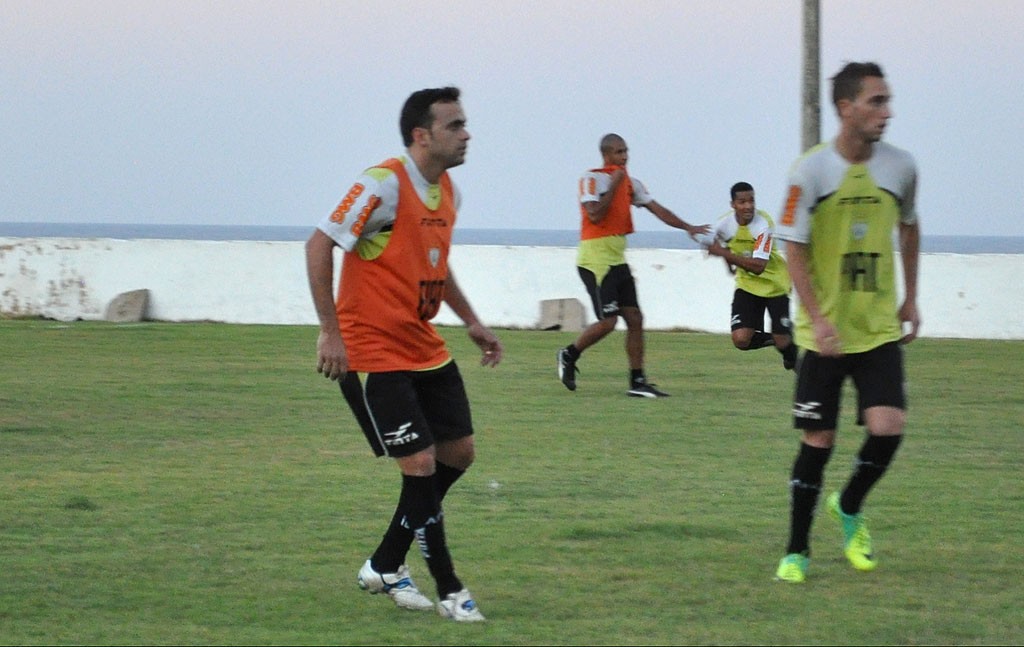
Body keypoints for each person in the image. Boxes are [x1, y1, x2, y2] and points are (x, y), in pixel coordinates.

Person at [305, 87, 503, 621]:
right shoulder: (383, 184)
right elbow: (320, 243)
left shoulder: (450, 194)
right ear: (422, 135)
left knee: (458, 455)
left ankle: (387, 562)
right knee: (417, 463)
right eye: (455, 125)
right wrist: (331, 332)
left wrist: (472, 321)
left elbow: (433, 268)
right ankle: (450, 588)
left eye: (465, 124)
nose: (466, 134)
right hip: (374, 347)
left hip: (424, 345)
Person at [772, 62, 921, 583]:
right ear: (846, 108)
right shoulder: (808, 172)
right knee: (819, 442)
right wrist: (816, 317)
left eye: (887, 100)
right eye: (877, 101)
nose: (887, 112)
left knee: (889, 427)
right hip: (824, 335)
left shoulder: (901, 168)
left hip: (877, 328)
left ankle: (850, 505)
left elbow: (909, 227)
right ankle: (796, 552)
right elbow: (791, 244)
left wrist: (911, 299)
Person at [556, 133, 708, 398]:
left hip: (616, 260)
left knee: (635, 319)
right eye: (618, 152)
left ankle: (637, 382)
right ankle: (568, 355)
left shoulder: (631, 183)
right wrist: (614, 185)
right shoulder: (592, 179)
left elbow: (658, 209)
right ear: (606, 154)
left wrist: (687, 227)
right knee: (609, 321)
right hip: (595, 260)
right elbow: (594, 213)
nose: (624, 157)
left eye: (626, 151)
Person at [699, 181, 797, 370]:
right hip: (747, 285)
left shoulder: (763, 225)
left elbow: (759, 266)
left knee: (784, 342)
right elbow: (716, 242)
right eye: (742, 202)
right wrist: (727, 262)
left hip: (774, 284)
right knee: (741, 340)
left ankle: (787, 345)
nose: (748, 206)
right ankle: (779, 339)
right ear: (733, 205)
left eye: (751, 201)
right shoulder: (724, 224)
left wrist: (724, 254)